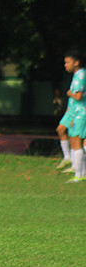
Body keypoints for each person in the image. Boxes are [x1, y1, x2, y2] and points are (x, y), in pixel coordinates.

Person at [56, 49, 86, 182]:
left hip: (81, 112)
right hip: (76, 112)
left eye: (67, 62)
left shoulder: (80, 75)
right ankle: (79, 171)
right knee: (75, 140)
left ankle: (79, 175)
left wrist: (70, 94)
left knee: (77, 140)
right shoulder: (78, 74)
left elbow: (78, 96)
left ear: (77, 62)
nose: (65, 65)